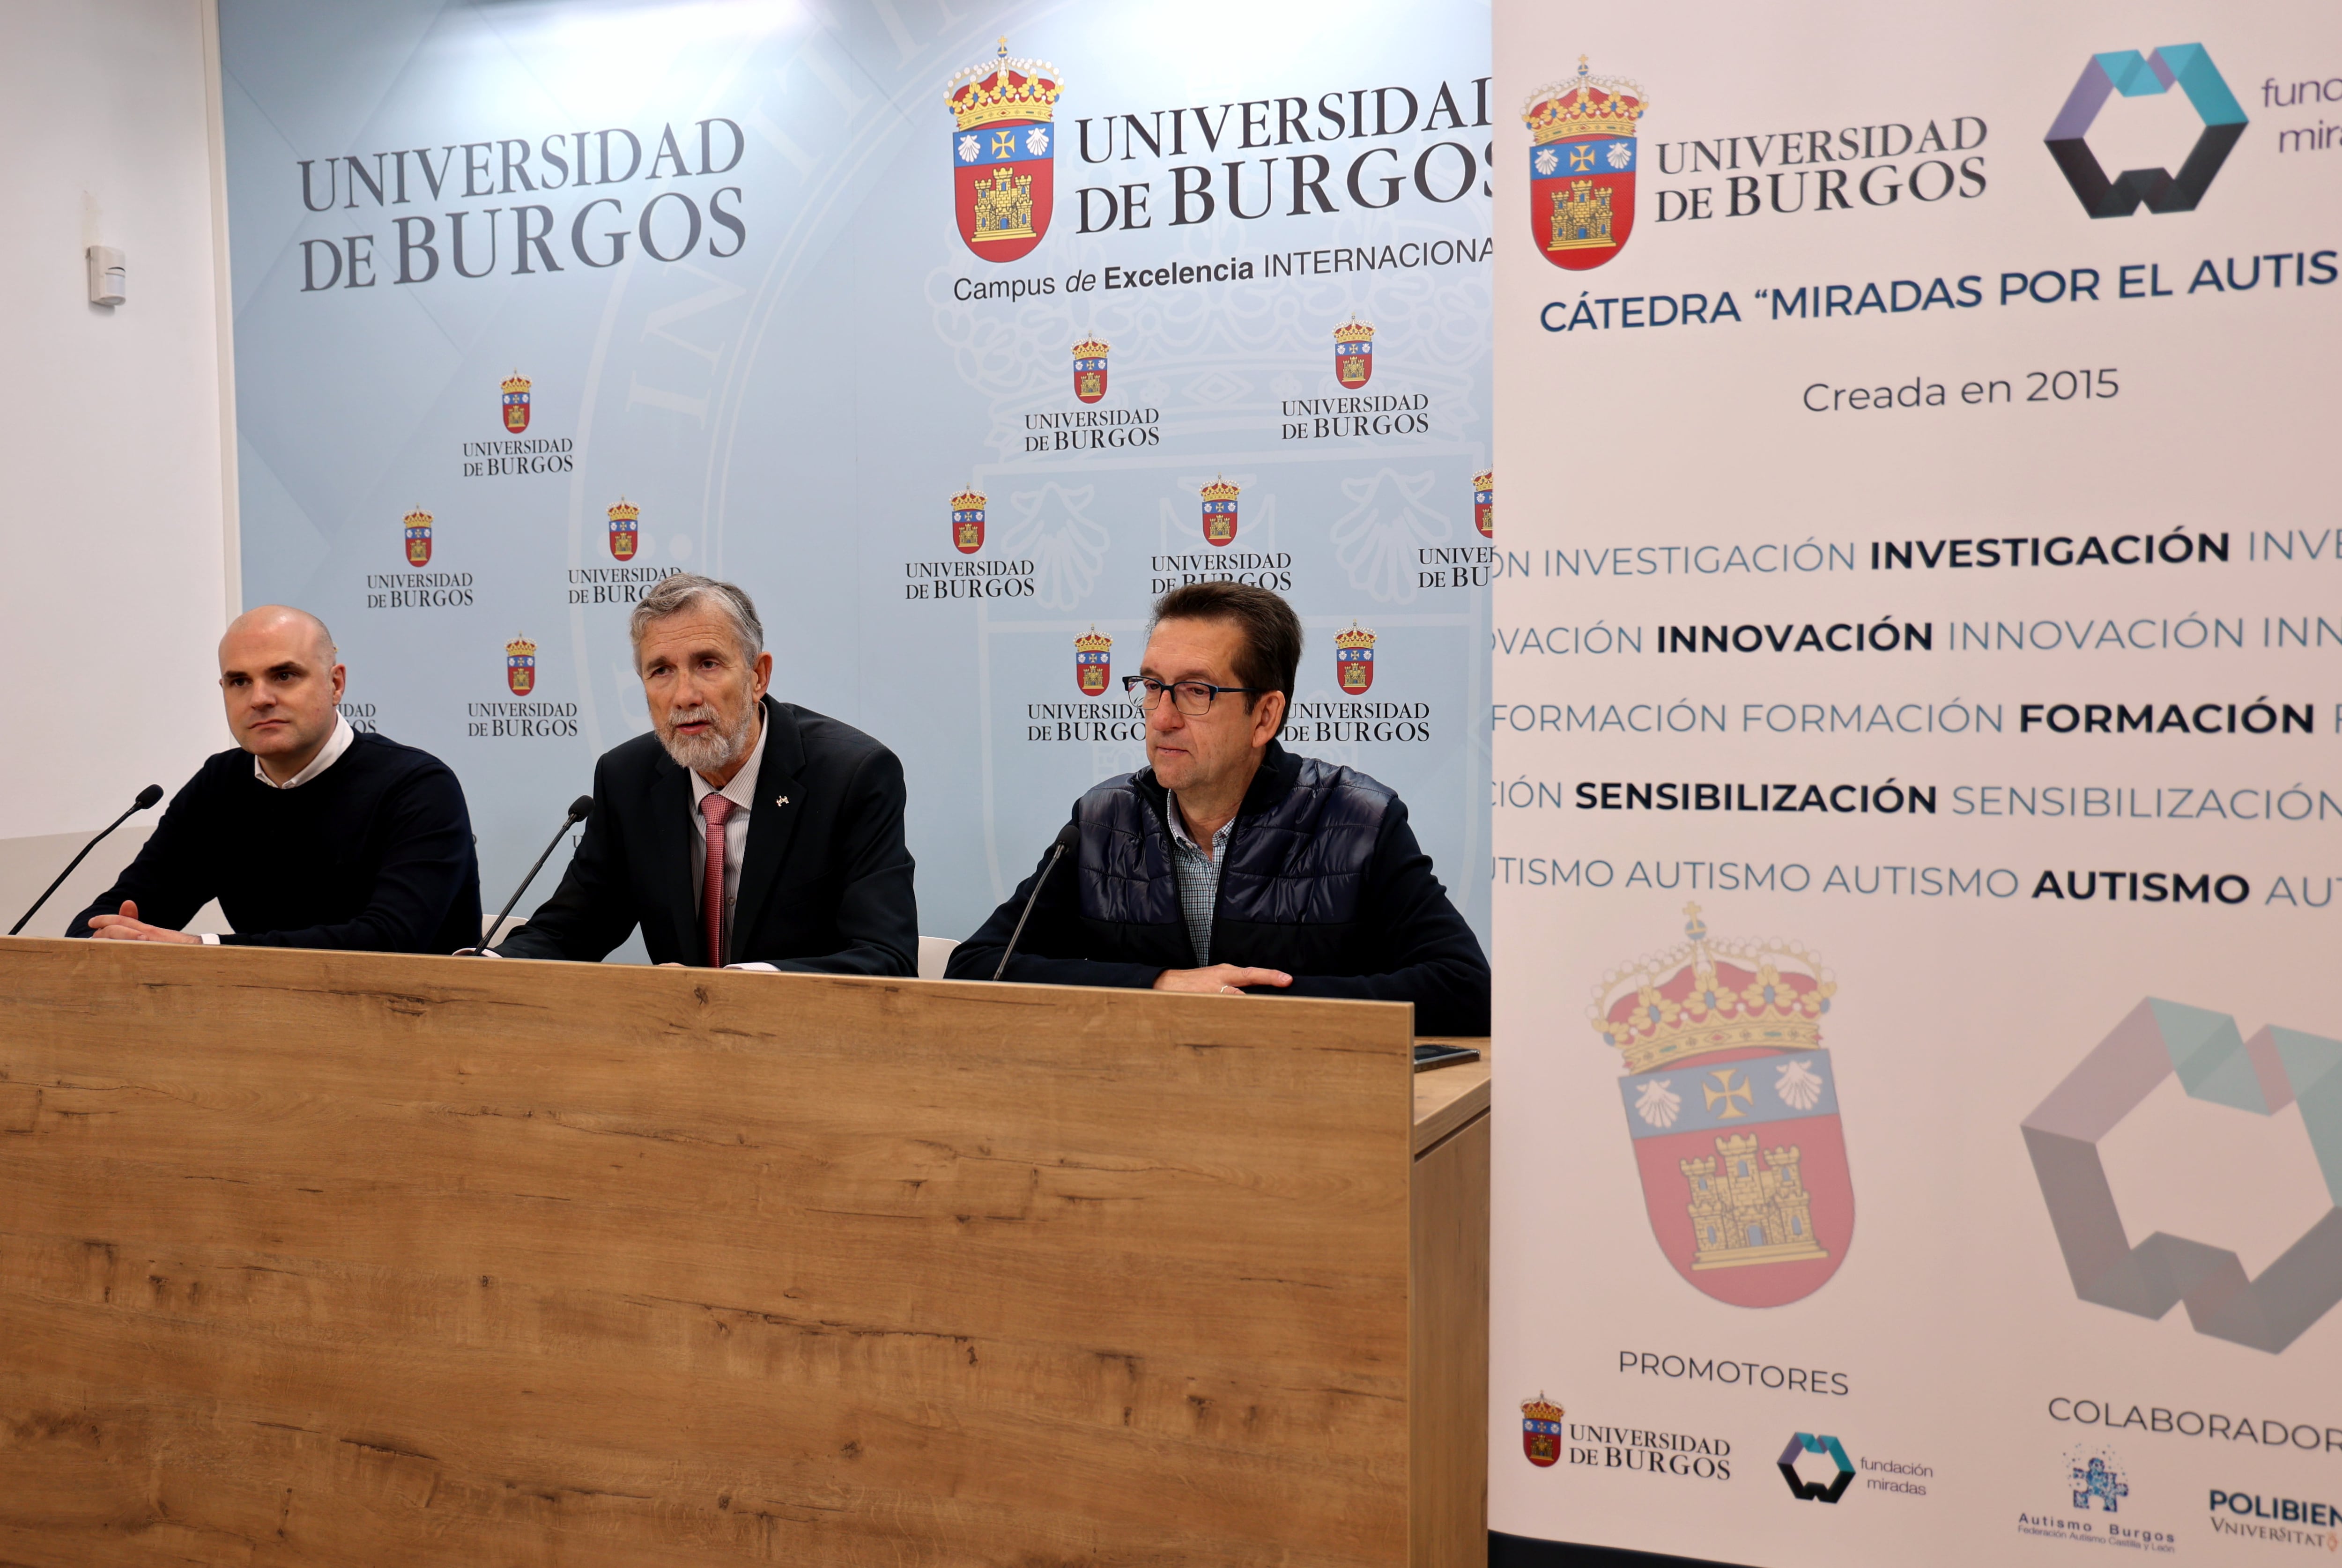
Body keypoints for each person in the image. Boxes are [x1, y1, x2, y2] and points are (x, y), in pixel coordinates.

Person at [947, 582, 1489, 1034]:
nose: (1161, 718)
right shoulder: (1103, 821)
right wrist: (1160, 986)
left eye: (1194, 691)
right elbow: (976, 968)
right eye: (1152, 687)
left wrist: (1246, 1004)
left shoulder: (1357, 820)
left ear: (1264, 716)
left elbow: (1466, 988)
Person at [489, 573, 915, 973]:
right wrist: (486, 967)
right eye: (661, 671)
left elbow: (885, 958)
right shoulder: (626, 779)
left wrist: (735, 987)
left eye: (708, 664)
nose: (684, 696)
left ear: (758, 676)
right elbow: (569, 931)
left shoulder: (851, 777)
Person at [68, 606, 482, 951]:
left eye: (283, 676)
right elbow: (123, 909)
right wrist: (110, 936)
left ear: (335, 684)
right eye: (239, 682)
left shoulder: (417, 786)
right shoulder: (220, 784)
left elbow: (390, 941)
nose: (260, 698)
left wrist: (205, 949)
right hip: (263, 1021)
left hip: (412, 1027)